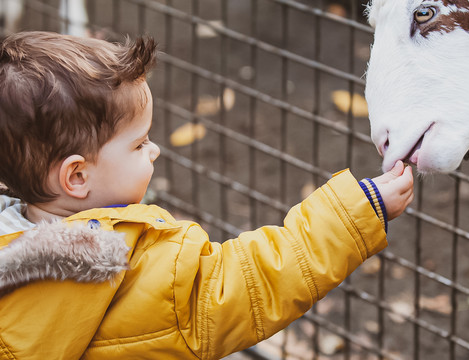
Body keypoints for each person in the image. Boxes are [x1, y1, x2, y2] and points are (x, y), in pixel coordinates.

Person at [0, 31, 414, 359]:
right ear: (76, 176)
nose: (155, 149)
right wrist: (356, 213)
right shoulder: (116, 269)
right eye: (139, 144)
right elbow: (246, 284)